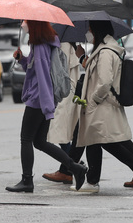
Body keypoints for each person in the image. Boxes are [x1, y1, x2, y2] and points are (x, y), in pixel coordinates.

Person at [5, 20, 88, 193]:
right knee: (40, 142)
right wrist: (23, 59)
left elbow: (43, 77)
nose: (22, 24)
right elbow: (35, 69)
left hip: (38, 100)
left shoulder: (40, 45)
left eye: (24, 21)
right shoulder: (42, 44)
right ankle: (75, 168)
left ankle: (27, 180)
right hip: (42, 99)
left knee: (26, 139)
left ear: (34, 24)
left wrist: (47, 106)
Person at [74, 20, 133, 193]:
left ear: (96, 30)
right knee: (95, 140)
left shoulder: (106, 52)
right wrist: (81, 57)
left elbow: (104, 81)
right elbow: (95, 72)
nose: (88, 33)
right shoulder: (103, 50)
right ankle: (93, 181)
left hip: (102, 103)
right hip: (102, 104)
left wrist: (94, 99)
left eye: (90, 30)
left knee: (104, 140)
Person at [43, 42, 86, 185]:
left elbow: (59, 71)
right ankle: (69, 168)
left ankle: (73, 167)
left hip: (64, 93)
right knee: (63, 133)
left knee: (61, 133)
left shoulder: (64, 46)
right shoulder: (66, 45)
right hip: (65, 93)